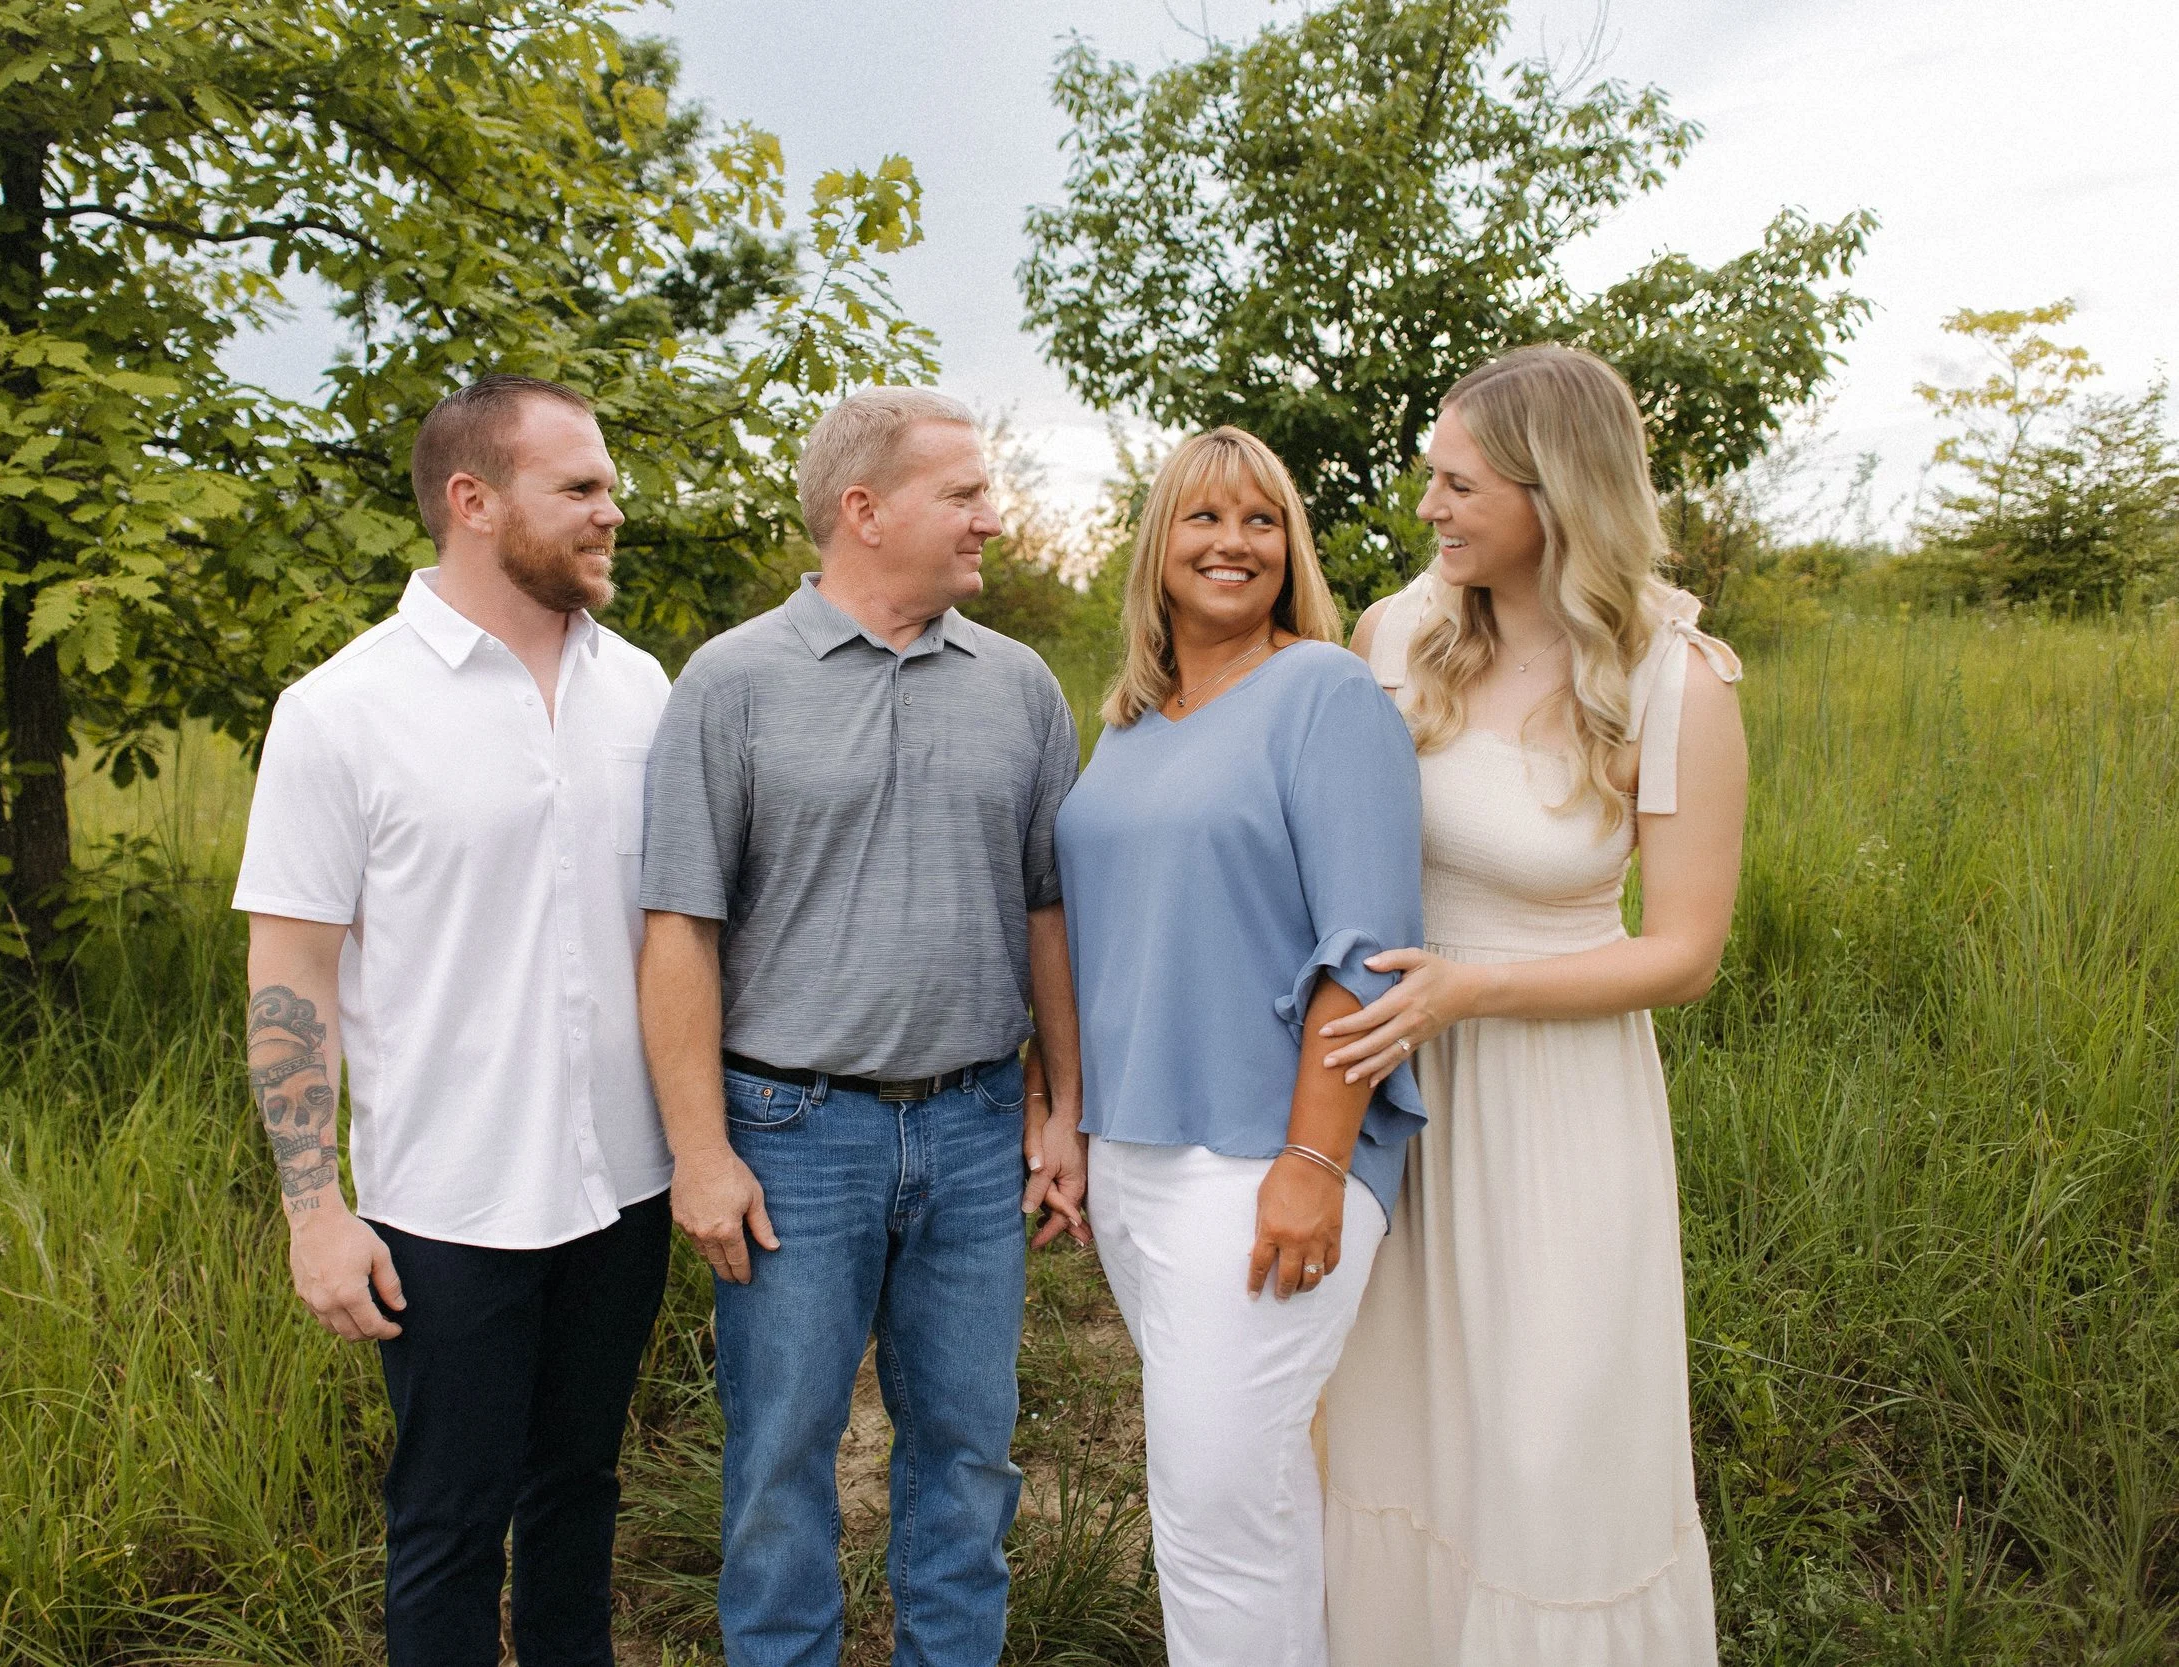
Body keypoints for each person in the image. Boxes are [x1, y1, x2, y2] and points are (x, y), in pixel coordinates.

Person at [635, 386, 1087, 1667]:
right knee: (780, 1458)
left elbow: (1048, 911)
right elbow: (678, 927)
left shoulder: (1022, 684)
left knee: (967, 1451)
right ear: (863, 508)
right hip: (790, 1135)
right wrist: (699, 1149)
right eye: (965, 494)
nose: (991, 519)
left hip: (976, 1125)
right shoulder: (730, 683)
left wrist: (1061, 1107)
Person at [231, 374, 676, 1667]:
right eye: (581, 487)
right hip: (448, 1206)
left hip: (625, 1188)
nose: (612, 511)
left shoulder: (642, 689)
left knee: (582, 1496)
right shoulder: (341, 710)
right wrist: (314, 1205)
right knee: (445, 1525)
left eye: (611, 486)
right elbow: (291, 971)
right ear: (473, 502)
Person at [1316, 345, 1747, 1663]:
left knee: (1546, 1439)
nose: (1430, 508)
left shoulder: (1678, 678)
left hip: (1559, 1104)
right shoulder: (1396, 631)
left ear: (1553, 492)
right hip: (1396, 1096)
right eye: (1431, 479)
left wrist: (1481, 985)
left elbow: (1683, 951)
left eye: (1460, 483)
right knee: (1392, 1416)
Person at [1050, 425, 1427, 1666]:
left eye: (1260, 520)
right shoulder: (1132, 723)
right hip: (1138, 1155)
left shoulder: (1324, 691)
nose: (1233, 543)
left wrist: (1312, 1162)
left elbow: (1363, 951)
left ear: (1291, 547)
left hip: (1271, 1150)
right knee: (1234, 1496)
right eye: (1204, 518)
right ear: (1159, 546)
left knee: (1217, 1509)